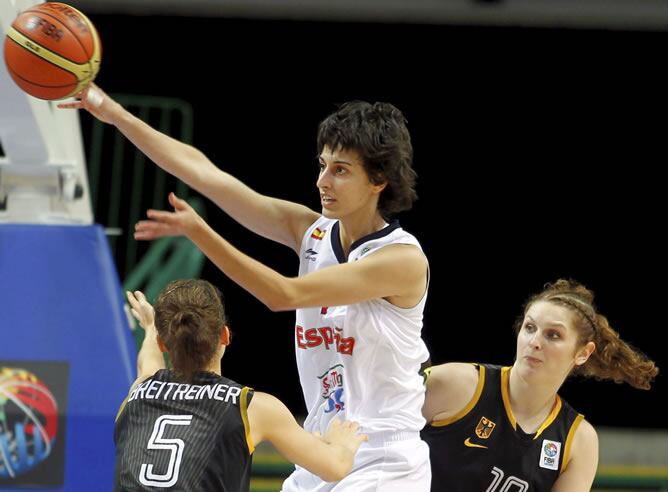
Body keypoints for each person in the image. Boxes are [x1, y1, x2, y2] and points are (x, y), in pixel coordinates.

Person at [61, 85, 431, 491]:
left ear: (378, 179)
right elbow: (204, 174)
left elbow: (283, 295)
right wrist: (113, 113)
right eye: (322, 165)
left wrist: (200, 233)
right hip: (321, 450)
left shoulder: (402, 261)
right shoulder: (311, 232)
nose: (322, 180)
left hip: (383, 459)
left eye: (340, 170)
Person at [116, 279, 367, 491]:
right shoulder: (250, 407)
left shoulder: (138, 392)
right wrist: (341, 442)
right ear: (225, 335)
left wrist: (150, 328)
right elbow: (335, 467)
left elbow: (147, 364)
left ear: (163, 344)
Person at [420, 279, 658, 492]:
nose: (534, 342)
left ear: (583, 353)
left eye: (553, 335)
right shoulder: (457, 384)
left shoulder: (578, 441)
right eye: (530, 328)